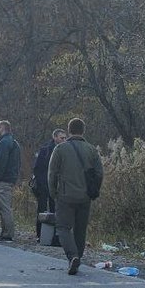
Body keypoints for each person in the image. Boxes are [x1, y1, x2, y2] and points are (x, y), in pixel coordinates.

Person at [48, 118, 103, 275]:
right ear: (83, 131)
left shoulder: (60, 149)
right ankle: (78, 256)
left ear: (69, 130)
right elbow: (99, 173)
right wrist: (94, 191)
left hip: (65, 195)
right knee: (80, 229)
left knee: (63, 228)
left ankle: (72, 256)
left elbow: (52, 173)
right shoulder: (92, 150)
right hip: (85, 196)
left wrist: (53, 193)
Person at [31, 129, 66, 239]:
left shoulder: (65, 150)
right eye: (62, 138)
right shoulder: (45, 150)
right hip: (44, 185)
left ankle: (54, 235)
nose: (64, 140)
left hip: (57, 186)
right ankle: (40, 234)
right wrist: (42, 183)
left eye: (65, 138)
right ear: (55, 137)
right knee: (41, 209)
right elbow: (37, 168)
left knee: (55, 209)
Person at [0, 119, 22, 241]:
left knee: (4, 207)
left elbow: (1, 162)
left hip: (3, 179)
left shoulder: (4, 143)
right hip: (10, 178)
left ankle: (8, 234)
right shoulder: (14, 143)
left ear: (2, 128)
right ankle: (4, 233)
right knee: (3, 207)